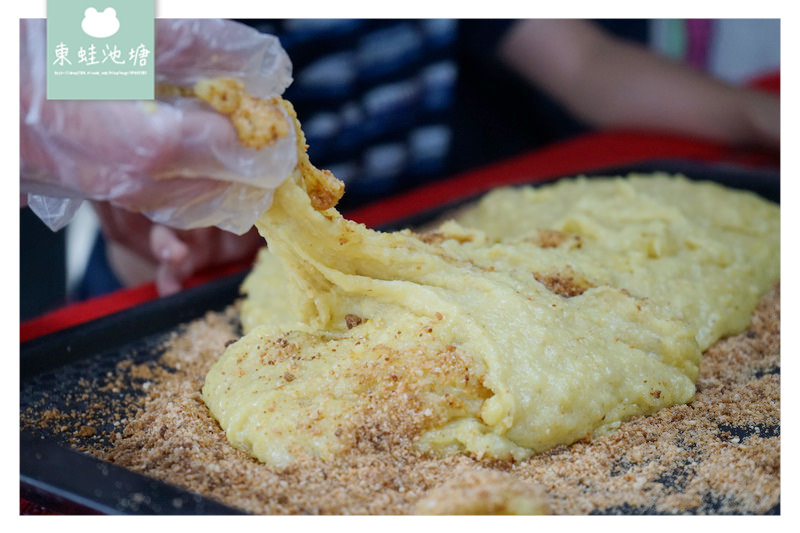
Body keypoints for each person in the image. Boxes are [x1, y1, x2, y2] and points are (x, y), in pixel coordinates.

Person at [20, 18, 779, 304]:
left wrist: (752, 112)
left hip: (429, 228)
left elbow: (582, 60)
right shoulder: (107, 26)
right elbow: (118, 194)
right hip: (195, 271)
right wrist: (166, 240)